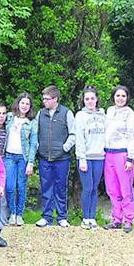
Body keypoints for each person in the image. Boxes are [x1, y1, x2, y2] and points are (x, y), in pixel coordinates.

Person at [35, 86, 76, 228]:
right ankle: (46, 216)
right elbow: (36, 133)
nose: (44, 101)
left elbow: (73, 134)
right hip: (44, 157)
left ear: (55, 99)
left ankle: (62, 216)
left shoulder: (66, 113)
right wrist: (38, 148)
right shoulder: (41, 113)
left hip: (62, 158)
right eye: (43, 99)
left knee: (61, 187)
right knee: (46, 187)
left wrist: (64, 148)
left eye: (47, 99)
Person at [103, 85, 134, 233]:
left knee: (125, 188)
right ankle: (116, 219)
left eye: (123, 96)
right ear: (113, 97)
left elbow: (131, 136)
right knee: (112, 188)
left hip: (123, 153)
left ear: (127, 98)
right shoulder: (109, 111)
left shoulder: (129, 113)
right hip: (109, 153)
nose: (120, 98)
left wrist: (130, 158)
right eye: (118, 96)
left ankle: (128, 220)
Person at [75, 86, 106, 230]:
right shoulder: (80, 116)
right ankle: (85, 218)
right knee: (87, 188)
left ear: (97, 99)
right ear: (83, 100)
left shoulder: (103, 115)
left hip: (99, 156)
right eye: (87, 99)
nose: (90, 101)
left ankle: (92, 217)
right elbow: (79, 138)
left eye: (92, 98)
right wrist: (81, 158)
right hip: (86, 157)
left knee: (94, 188)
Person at [4, 93, 38, 226]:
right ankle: (11, 213)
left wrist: (30, 163)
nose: (24, 106)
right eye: (22, 103)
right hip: (9, 156)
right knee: (10, 186)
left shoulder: (32, 122)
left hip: (23, 157)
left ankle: (19, 214)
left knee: (21, 186)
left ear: (30, 106)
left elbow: (33, 143)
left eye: (27, 104)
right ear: (18, 103)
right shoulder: (9, 117)